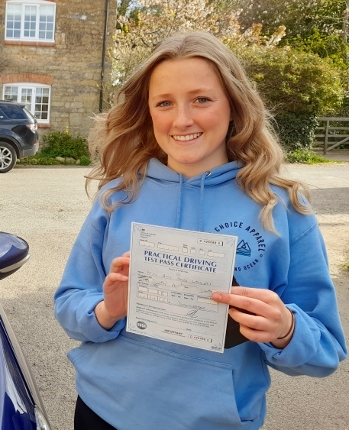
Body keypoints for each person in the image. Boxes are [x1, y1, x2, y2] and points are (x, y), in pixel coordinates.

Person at [53, 31, 347, 430]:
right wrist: (108, 310)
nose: (182, 119)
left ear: (234, 105)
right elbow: (70, 304)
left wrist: (285, 328)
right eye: (165, 103)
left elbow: (326, 349)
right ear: (149, 112)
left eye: (202, 99)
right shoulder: (117, 196)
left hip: (215, 420)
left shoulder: (281, 206)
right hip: (103, 411)